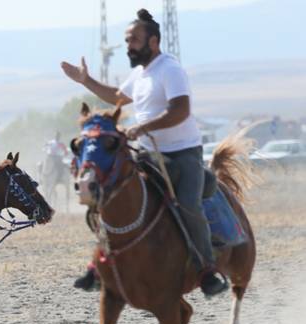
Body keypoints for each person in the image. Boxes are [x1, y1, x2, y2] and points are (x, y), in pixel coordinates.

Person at [61, 9, 227, 296]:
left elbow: (180, 111)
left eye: (134, 40)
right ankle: (101, 265)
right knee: (110, 192)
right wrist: (86, 81)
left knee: (188, 205)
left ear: (153, 41)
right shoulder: (140, 74)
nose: (128, 46)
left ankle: (207, 269)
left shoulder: (170, 69)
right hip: (149, 154)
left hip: (182, 153)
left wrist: (141, 128)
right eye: (127, 40)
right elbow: (117, 97)